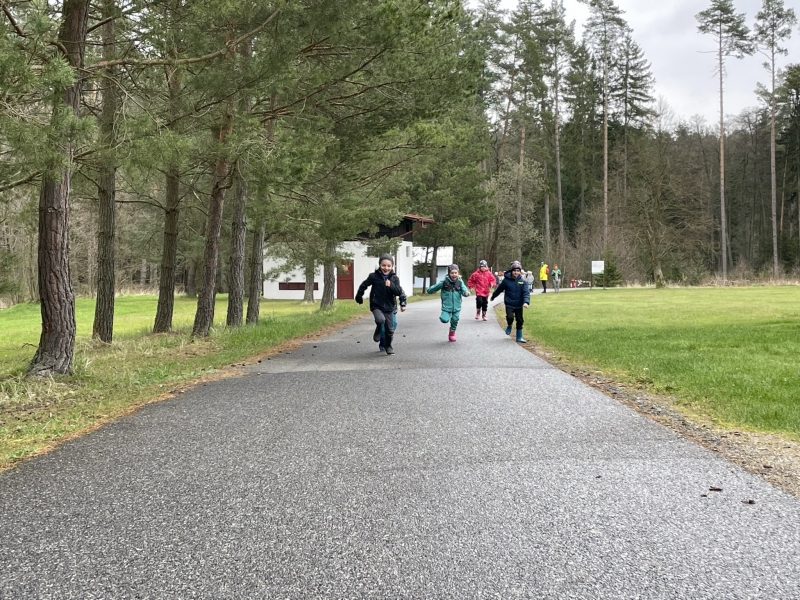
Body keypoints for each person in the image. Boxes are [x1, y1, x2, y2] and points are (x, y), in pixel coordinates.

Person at [355, 254, 407, 355]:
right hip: (376, 305)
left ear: (392, 266)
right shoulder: (373, 276)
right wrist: (359, 296)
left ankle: (388, 346)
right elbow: (363, 285)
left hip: (389, 307)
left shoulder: (394, 278)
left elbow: (399, 292)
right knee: (380, 320)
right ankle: (379, 328)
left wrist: (391, 286)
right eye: (383, 265)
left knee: (390, 330)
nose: (386, 268)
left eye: (388, 266)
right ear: (379, 265)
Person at [427, 264, 470, 342]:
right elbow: (434, 287)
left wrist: (466, 293)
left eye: (455, 273)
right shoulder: (444, 282)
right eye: (452, 273)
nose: (454, 275)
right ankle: (446, 316)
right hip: (446, 306)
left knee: (455, 320)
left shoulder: (460, 282)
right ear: (449, 273)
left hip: (457, 306)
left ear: (458, 273)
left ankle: (451, 334)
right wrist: (430, 290)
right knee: (444, 319)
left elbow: (465, 290)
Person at [490, 260, 530, 343]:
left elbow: (526, 293)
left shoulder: (523, 282)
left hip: (519, 304)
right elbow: (499, 290)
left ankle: (519, 337)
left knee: (520, 320)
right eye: (514, 271)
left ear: (520, 271)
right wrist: (493, 296)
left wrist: (526, 302)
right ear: (511, 271)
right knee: (510, 317)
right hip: (509, 303)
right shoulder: (506, 281)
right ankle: (509, 325)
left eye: (518, 271)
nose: (516, 272)